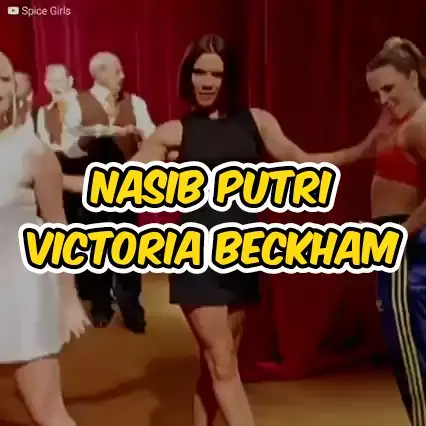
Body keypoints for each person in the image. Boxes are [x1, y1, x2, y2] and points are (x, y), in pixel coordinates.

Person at [129, 34, 389, 426]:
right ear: (188, 75)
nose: (206, 82)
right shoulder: (173, 132)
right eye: (199, 72)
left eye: (216, 74)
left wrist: (361, 150)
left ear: (229, 77)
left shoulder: (257, 121)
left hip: (241, 257)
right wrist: (52, 178)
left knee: (217, 364)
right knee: (223, 365)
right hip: (197, 259)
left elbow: (301, 160)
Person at [0, 52, 90, 425]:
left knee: (48, 412)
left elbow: (57, 229)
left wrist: (68, 299)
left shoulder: (33, 151)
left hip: (22, 296)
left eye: (4, 80)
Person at [62, 51, 155, 332]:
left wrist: (143, 140)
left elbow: (151, 137)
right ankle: (101, 304)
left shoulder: (135, 103)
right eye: (118, 71)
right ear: (101, 73)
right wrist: (97, 134)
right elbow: (68, 147)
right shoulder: (75, 103)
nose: (123, 77)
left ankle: (131, 306)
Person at [366, 36, 426, 425]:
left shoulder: (419, 124)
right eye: (376, 94)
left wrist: (402, 234)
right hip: (398, 241)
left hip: (406, 247)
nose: (383, 100)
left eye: (389, 88)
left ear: (414, 77)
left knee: (411, 354)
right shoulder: (406, 121)